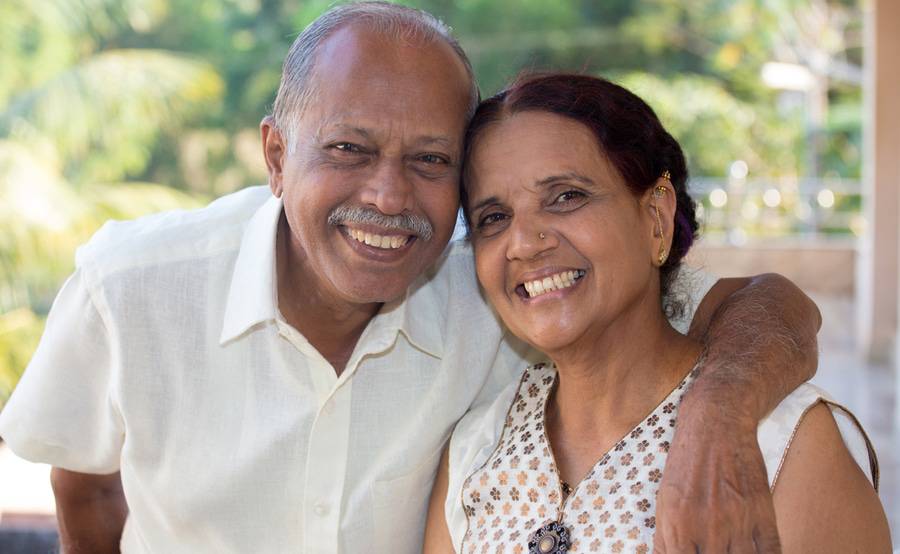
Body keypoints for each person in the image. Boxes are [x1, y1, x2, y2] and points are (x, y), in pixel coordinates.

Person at [0, 3, 822, 553]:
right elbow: (85, 482)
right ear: (277, 157)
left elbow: (763, 302)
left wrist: (718, 416)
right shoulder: (132, 288)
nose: (389, 198)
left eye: (430, 160)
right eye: (349, 150)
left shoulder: (501, 289)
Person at [423, 73, 891, 554]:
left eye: (566, 196)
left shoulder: (780, 444)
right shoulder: (475, 452)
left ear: (656, 218)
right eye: (493, 218)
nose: (522, 243)